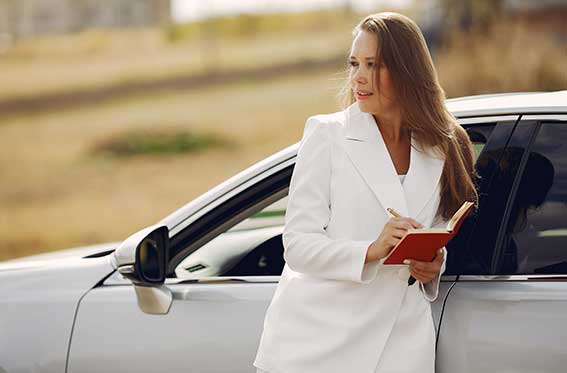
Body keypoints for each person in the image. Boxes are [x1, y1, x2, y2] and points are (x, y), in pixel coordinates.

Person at [253, 12, 478, 373]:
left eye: (374, 65)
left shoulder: (442, 147)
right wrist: (371, 250)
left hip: (402, 343)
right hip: (320, 344)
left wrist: (433, 264)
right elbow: (297, 246)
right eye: (354, 63)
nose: (358, 77)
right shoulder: (327, 135)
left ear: (407, 71)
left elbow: (436, 229)